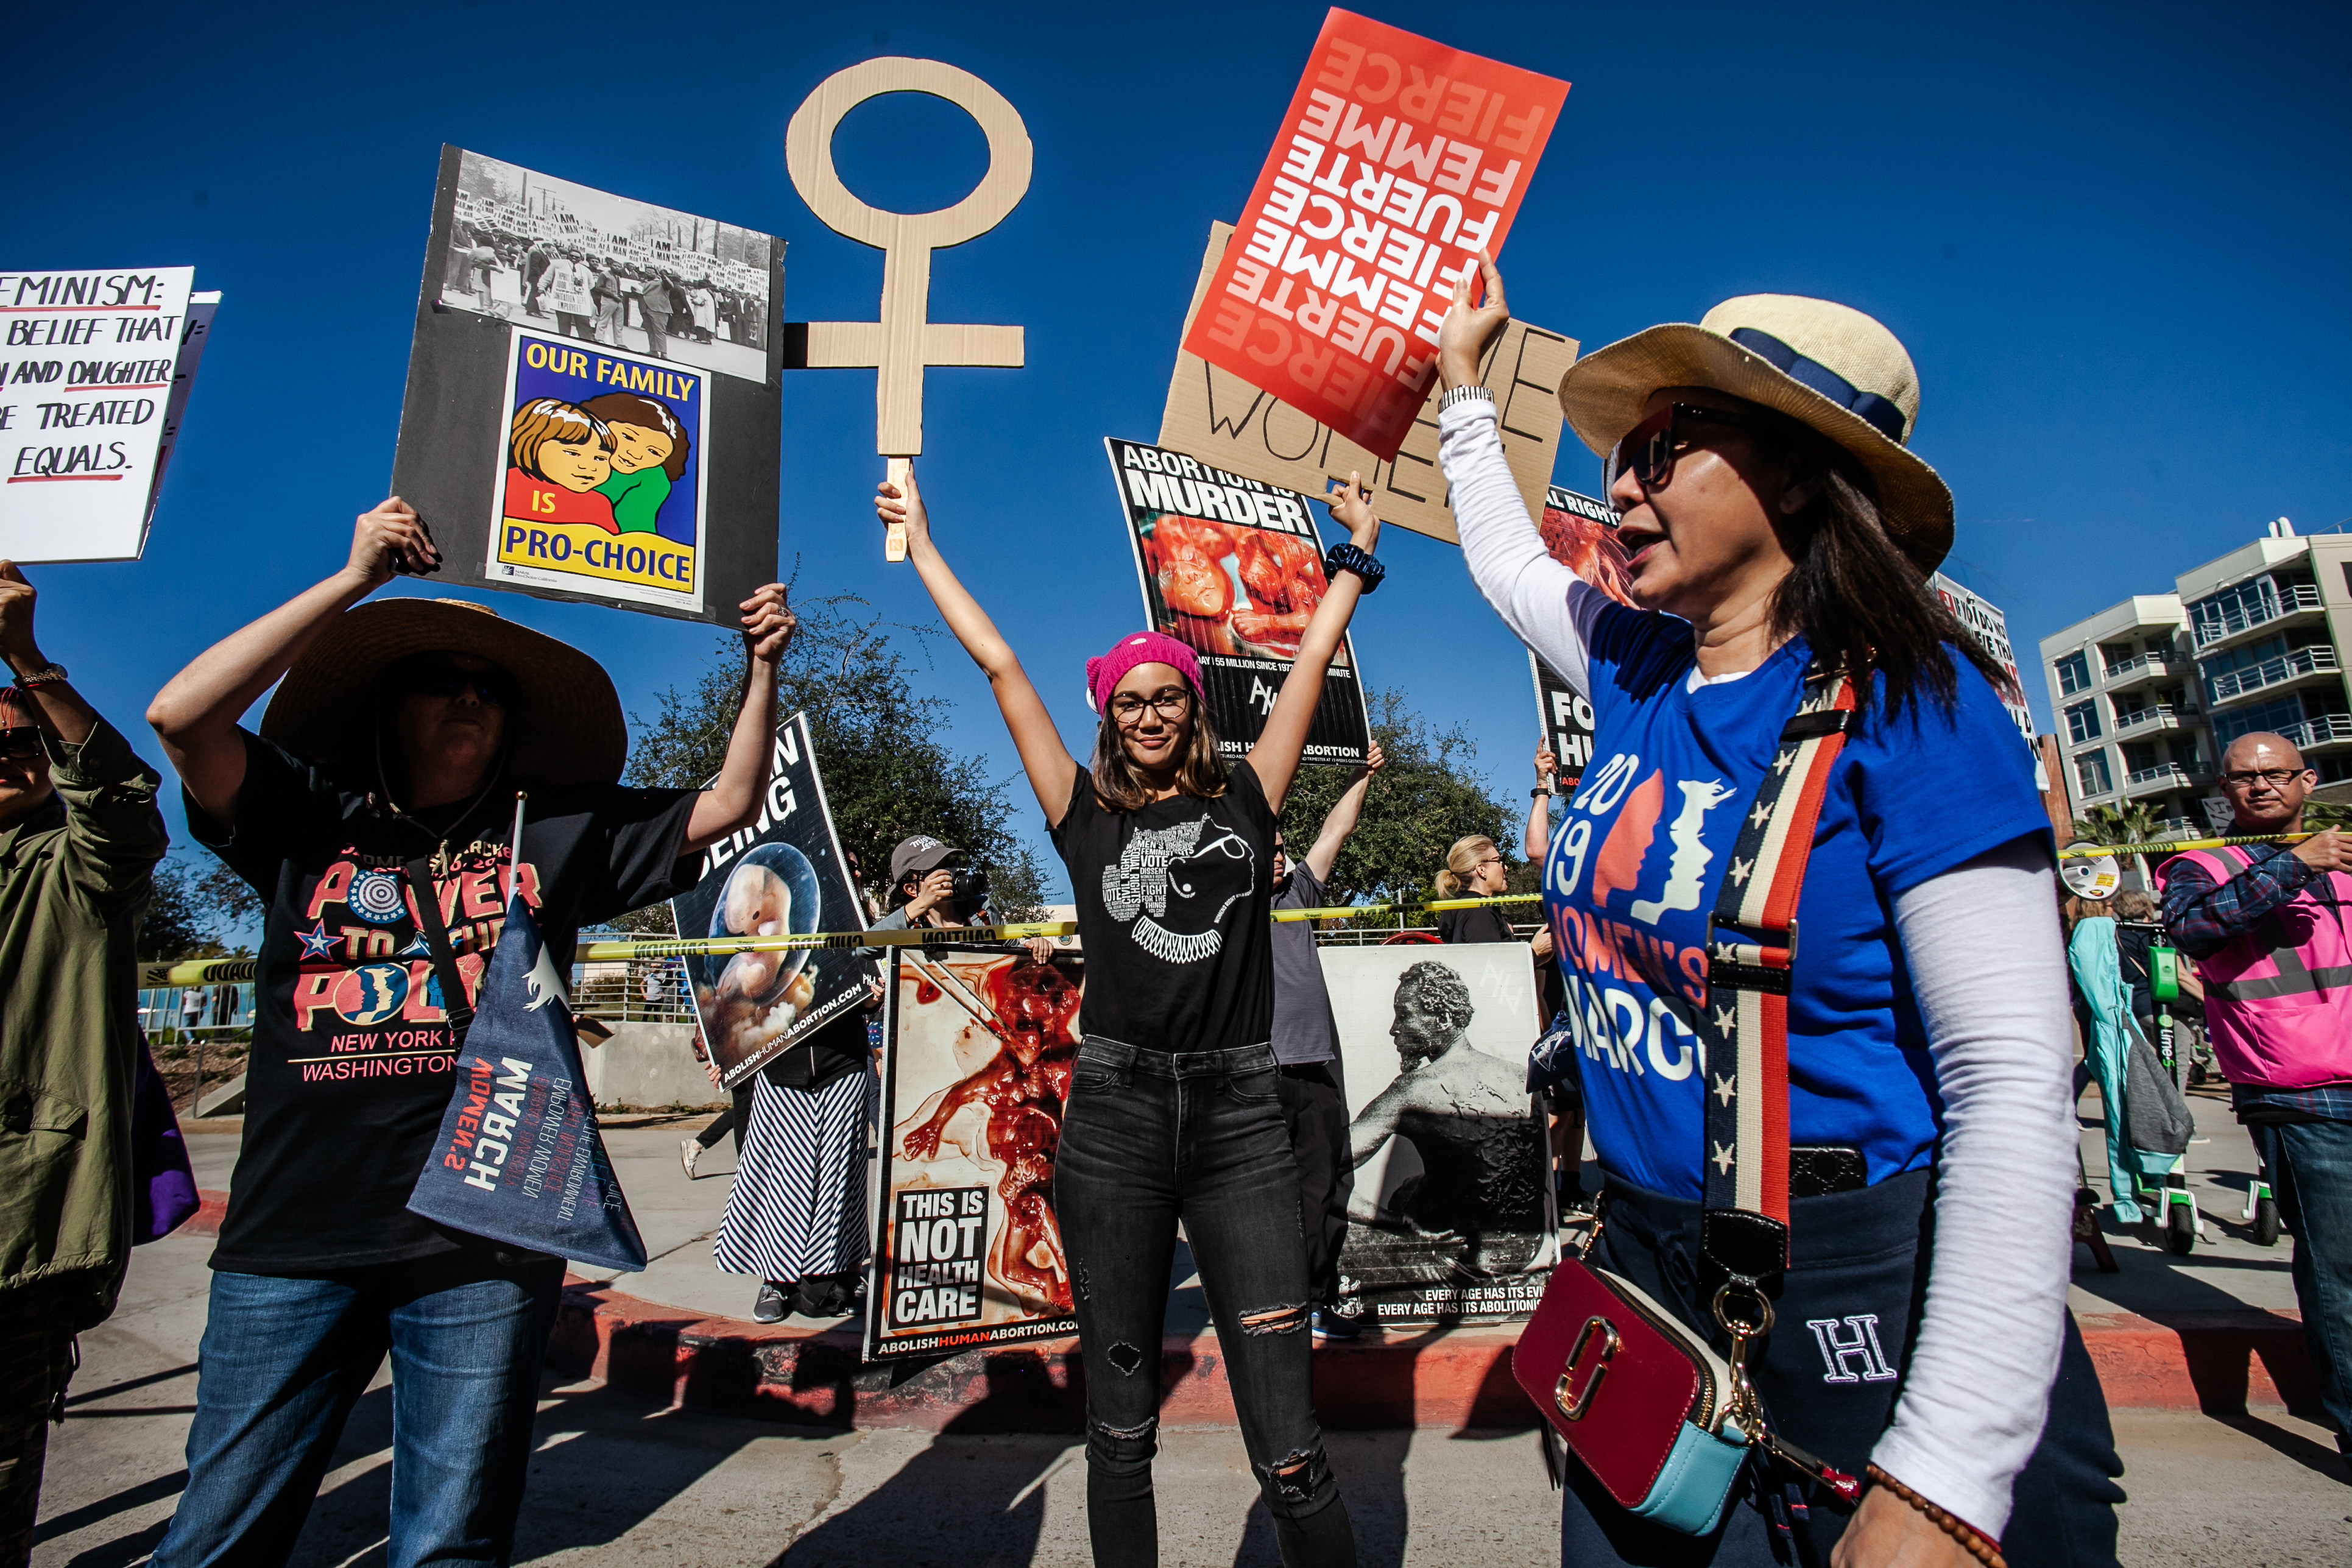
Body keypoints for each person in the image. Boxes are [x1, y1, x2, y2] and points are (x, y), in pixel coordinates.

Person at [1438, 255, 2121, 1563]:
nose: (1620, 485)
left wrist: (1943, 1478)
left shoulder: (1918, 704)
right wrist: (1463, 391)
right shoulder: (1638, 667)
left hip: (1856, 1275)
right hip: (1645, 1262)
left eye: (1668, 447)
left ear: (1802, 476)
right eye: (1624, 453)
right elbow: (1502, 563)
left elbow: (2008, 1081)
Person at [142, 498, 794, 1567]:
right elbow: (181, 717)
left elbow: (726, 803)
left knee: (449, 1544)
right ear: (389, 708)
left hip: (489, 1240)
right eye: (441, 680)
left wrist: (761, 664)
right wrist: (354, 580)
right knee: (215, 1540)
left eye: (489, 688)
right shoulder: (307, 813)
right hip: (294, 1236)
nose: (469, 698)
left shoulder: (559, 829)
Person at [877, 459, 1377, 1567]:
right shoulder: (1079, 813)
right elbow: (1002, 663)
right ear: (1109, 714)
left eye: (1168, 696)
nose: (1149, 713)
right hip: (1115, 1122)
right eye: (1129, 700)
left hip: (1247, 1124)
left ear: (1194, 707)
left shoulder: (1247, 794)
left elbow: (1297, 669)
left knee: (1290, 1450)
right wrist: (919, 547)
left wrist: (1349, 555)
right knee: (1118, 1432)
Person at [0, 563, 168, 1567]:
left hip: (22, 1224)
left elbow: (120, 805)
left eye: (25, 742)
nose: (10, 755)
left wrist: (29, 657)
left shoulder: (73, 870)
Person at [2156, 731, 2352, 1480]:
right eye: (2244, 778)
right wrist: (2295, 865)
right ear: (2224, 789)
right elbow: (2195, 930)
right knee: (2341, 1268)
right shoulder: (2202, 865)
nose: (2261, 787)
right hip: (2300, 1093)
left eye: (2275, 774)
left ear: (2308, 779)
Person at [1269, 743, 1385, 1342]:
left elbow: (1336, 831)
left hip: (1315, 1070)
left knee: (1322, 1188)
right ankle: (1267, 1303)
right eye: (1271, 848)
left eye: (1285, 847)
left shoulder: (1299, 894)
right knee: (1262, 1202)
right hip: (1257, 1076)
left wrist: (1360, 777)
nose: (1282, 857)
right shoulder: (1227, 909)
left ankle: (1315, 1300)